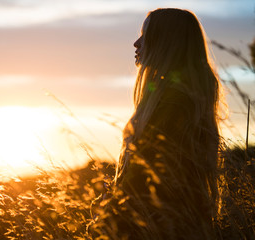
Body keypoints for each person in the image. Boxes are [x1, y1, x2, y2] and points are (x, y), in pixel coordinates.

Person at [93, 8, 225, 239]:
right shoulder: (178, 97)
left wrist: (109, 214)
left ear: (167, 42)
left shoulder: (175, 102)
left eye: (146, 35)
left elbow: (146, 175)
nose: (136, 43)